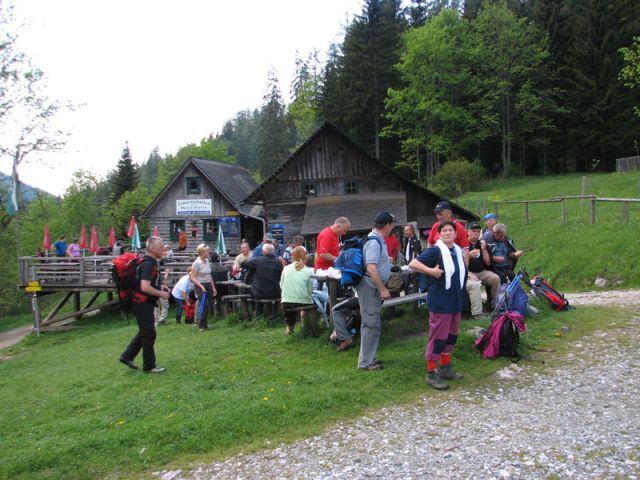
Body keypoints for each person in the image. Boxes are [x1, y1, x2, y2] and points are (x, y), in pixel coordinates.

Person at [410, 221, 467, 390]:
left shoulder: (456, 251)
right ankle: (431, 372)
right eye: (445, 230)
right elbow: (414, 264)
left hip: (455, 300)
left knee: (451, 336)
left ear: (455, 234)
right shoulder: (436, 250)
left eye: (451, 230)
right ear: (439, 234)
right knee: (438, 337)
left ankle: (445, 367)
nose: (448, 233)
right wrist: (431, 271)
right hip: (440, 301)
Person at [119, 236, 171, 374]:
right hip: (141, 303)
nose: (163, 249)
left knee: (145, 331)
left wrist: (160, 287)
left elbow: (149, 282)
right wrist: (161, 294)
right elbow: (145, 287)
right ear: (152, 249)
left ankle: (127, 356)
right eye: (161, 247)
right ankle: (149, 366)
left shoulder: (149, 261)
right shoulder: (148, 263)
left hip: (142, 302)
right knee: (149, 333)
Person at [353, 212, 394, 371]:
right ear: (387, 225)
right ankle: (365, 363)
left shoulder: (377, 240)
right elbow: (371, 268)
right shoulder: (374, 242)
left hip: (372, 287)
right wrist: (382, 288)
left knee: (373, 324)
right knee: (370, 324)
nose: (393, 228)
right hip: (370, 288)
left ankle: (369, 357)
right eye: (392, 225)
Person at [466, 221, 501, 319]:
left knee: (496, 278)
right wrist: (468, 255)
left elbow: (488, 263)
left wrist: (484, 249)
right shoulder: (464, 244)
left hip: (482, 271)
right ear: (468, 232)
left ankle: (496, 306)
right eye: (473, 231)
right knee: (475, 284)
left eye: (478, 231)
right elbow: (461, 264)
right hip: (469, 272)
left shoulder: (481, 244)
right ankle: (478, 313)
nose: (476, 233)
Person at [279, 246, 314, 335]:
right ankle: (306, 326)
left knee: (289, 305)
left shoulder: (286, 268)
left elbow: (281, 285)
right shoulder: (308, 270)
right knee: (310, 304)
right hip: (303, 300)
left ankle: (290, 328)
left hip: (286, 301)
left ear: (293, 256)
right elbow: (310, 290)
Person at [241, 243, 283, 316]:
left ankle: (257, 315)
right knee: (261, 290)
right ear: (273, 252)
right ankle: (274, 314)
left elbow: (243, 264)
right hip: (276, 292)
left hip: (260, 292)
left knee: (245, 291)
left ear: (263, 252)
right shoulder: (278, 262)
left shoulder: (257, 260)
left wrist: (248, 259)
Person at [190, 244, 217, 331]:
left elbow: (209, 275)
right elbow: (193, 277)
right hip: (200, 286)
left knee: (208, 305)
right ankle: (201, 325)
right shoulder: (196, 263)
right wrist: (201, 286)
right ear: (201, 252)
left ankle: (205, 324)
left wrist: (213, 287)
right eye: (207, 251)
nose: (208, 252)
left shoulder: (207, 261)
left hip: (208, 284)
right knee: (203, 305)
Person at [154, 245, 173, 325]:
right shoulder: (157, 272)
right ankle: (161, 319)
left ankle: (156, 320)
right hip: (159, 291)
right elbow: (162, 281)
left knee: (156, 306)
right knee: (165, 305)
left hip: (153, 291)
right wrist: (167, 273)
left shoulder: (151, 272)